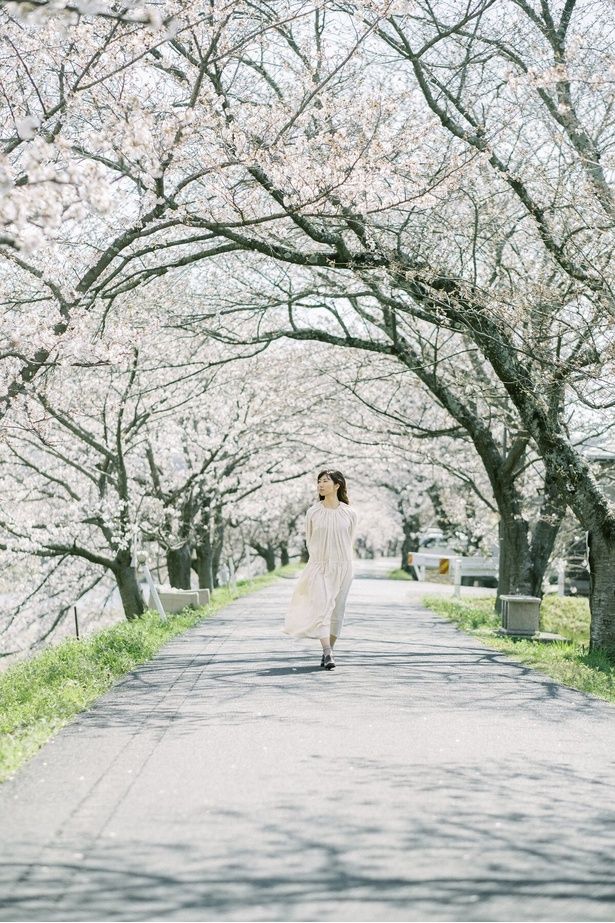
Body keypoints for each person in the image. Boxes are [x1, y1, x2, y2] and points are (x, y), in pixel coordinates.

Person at [283, 469, 358, 670]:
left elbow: (349, 540)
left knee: (337, 611)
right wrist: (318, 562)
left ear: (337, 485)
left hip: (344, 567)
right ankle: (327, 652)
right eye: (319, 481)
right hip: (320, 566)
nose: (321, 485)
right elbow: (310, 540)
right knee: (322, 608)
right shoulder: (313, 512)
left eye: (325, 481)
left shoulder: (350, 513)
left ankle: (329, 651)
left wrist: (344, 563)